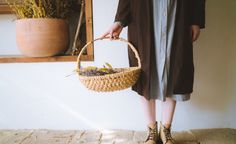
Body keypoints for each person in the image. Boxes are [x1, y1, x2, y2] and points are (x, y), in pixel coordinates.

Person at [101, 0, 205, 144]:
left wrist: (196, 19)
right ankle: (152, 131)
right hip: (142, 13)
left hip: (178, 11)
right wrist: (119, 21)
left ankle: (166, 130)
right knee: (144, 72)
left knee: (175, 68)